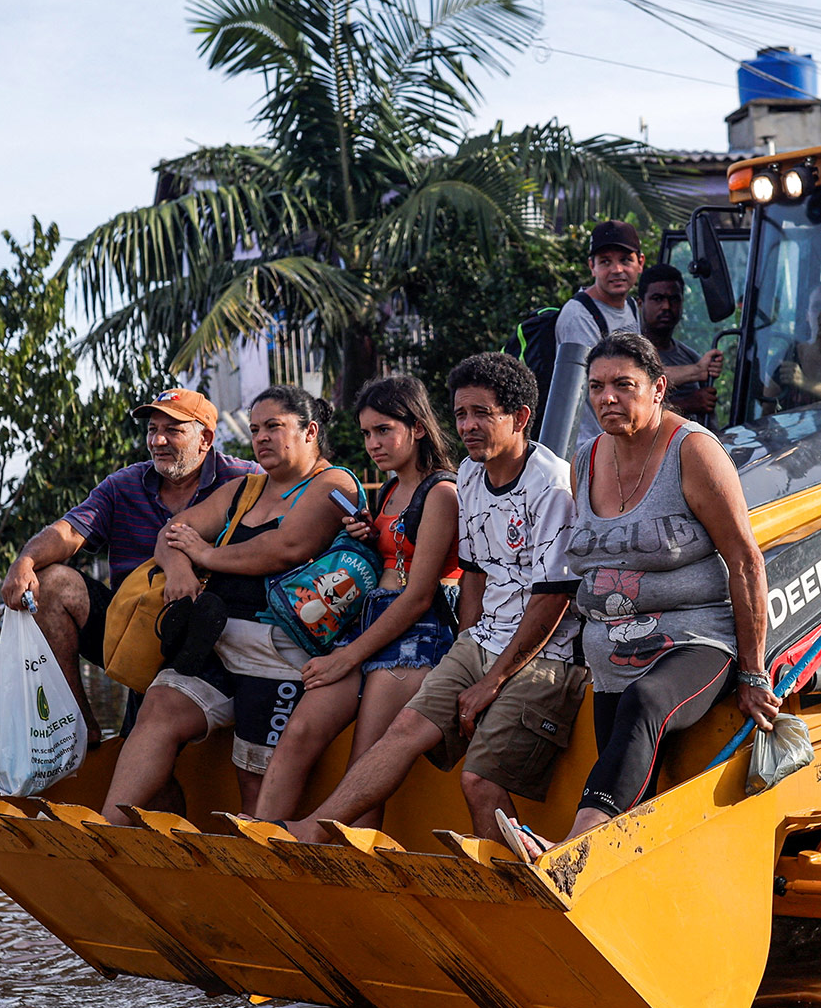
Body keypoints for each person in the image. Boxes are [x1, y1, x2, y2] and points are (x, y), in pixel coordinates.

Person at [278, 353, 586, 846]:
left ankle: (511, 893)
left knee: (478, 780)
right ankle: (313, 831)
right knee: (402, 733)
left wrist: (492, 679)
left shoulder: (551, 486)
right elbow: (476, 573)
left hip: (543, 653)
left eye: (482, 413)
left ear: (521, 418)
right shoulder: (468, 473)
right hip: (482, 639)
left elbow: (552, 599)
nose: (467, 425)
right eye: (461, 414)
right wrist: (468, 644)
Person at [548, 332, 777, 844]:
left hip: (693, 641)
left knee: (645, 702)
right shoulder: (584, 459)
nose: (608, 397)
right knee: (633, 799)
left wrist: (754, 671)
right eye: (597, 386)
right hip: (609, 656)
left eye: (624, 385)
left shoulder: (692, 450)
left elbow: (744, 559)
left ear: (658, 388)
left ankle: (574, 845)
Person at [99, 386, 359, 818]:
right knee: (158, 707)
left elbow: (287, 547)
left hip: (282, 657)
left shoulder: (334, 484)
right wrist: (180, 570)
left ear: (310, 430)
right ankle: (107, 830)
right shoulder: (245, 489)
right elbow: (172, 533)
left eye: (274, 426)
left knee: (254, 784)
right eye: (256, 429)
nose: (261, 438)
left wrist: (204, 554)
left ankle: (260, 873)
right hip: (218, 645)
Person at [249, 376, 461, 826]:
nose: (373, 444)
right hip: (368, 625)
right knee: (300, 732)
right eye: (366, 433)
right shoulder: (386, 493)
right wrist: (366, 536)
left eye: (384, 430)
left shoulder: (441, 493)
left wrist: (345, 658)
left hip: (414, 636)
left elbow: (419, 595)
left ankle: (357, 874)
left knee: (364, 761)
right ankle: (261, 844)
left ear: (418, 427)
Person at [0, 388, 255, 740]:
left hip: (213, 631)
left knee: (148, 734)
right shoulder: (124, 485)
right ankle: (79, 731)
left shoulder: (244, 479)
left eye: (173, 430)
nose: (158, 440)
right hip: (132, 625)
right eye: (152, 429)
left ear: (205, 438)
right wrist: (24, 561)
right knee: (52, 582)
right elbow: (70, 531)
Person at [556, 220, 646, 446]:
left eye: (625, 260)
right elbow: (590, 388)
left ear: (640, 263)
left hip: (622, 440)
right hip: (589, 446)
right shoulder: (579, 316)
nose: (617, 270)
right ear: (592, 266)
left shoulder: (631, 307)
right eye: (605, 262)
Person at [637, 263, 725, 427]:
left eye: (674, 299)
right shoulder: (631, 353)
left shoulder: (690, 357)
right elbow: (634, 407)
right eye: (657, 299)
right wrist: (687, 404)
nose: (666, 307)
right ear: (640, 303)